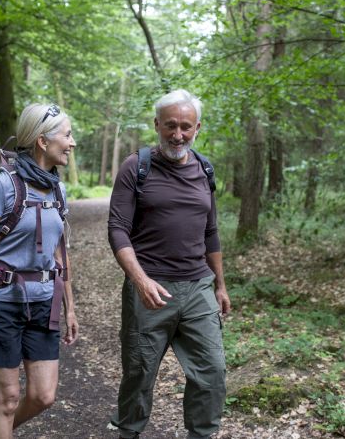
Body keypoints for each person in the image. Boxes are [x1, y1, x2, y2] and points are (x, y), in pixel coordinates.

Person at [108, 89, 232, 439]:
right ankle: (128, 432)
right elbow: (117, 230)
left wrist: (220, 285)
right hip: (150, 289)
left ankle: (202, 434)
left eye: (186, 127)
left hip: (197, 288)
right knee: (139, 372)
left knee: (212, 373)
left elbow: (211, 232)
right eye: (171, 126)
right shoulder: (137, 167)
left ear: (197, 128)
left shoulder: (205, 169)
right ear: (157, 125)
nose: (178, 135)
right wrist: (140, 280)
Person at [0, 103, 79, 439]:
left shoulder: (58, 189)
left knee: (43, 396)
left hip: (43, 304)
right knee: (6, 399)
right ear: (42, 140)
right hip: (0, 305)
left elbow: (58, 252)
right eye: (67, 135)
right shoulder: (2, 187)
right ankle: (0, 423)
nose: (72, 142)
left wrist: (70, 307)